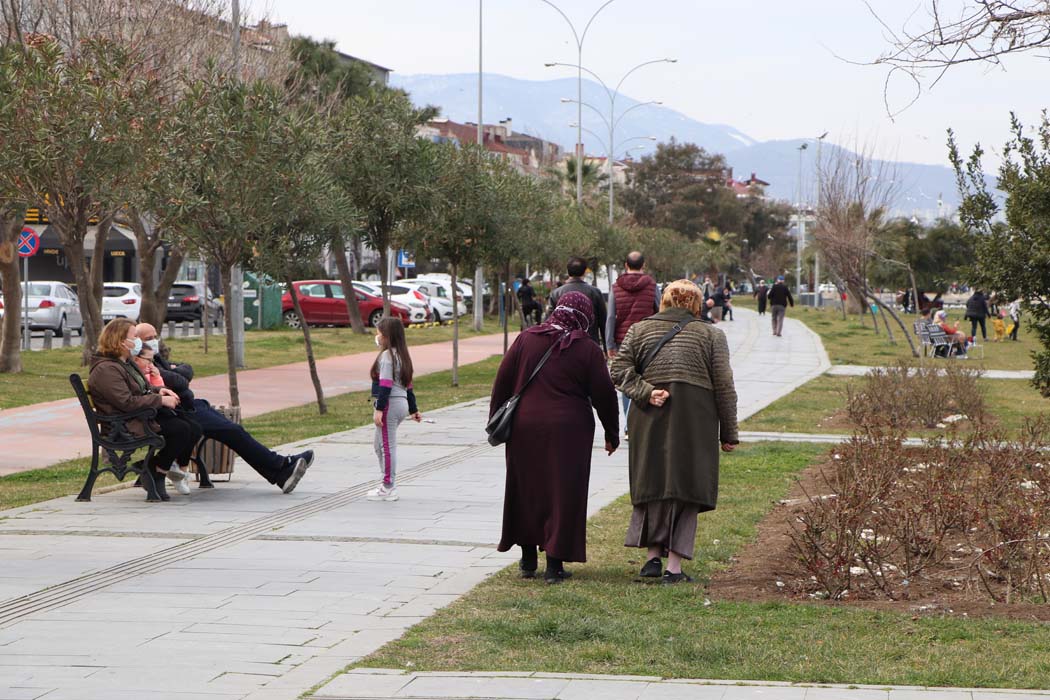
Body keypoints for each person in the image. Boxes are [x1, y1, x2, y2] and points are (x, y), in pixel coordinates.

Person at [609, 280, 739, 584]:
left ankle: (652, 558)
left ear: (664, 301)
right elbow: (724, 388)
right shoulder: (711, 335)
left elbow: (618, 370)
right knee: (686, 486)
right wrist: (728, 432)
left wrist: (645, 392)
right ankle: (674, 567)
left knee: (651, 481)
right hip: (695, 420)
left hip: (649, 417)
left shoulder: (639, 330)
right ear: (696, 304)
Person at [492, 291, 619, 584]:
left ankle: (527, 559)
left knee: (526, 488)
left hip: (525, 427)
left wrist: (496, 418)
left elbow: (503, 380)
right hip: (569, 431)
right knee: (563, 492)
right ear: (586, 315)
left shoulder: (526, 339)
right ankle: (554, 564)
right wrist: (612, 433)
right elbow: (604, 393)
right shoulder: (586, 348)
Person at [136, 323, 314, 494]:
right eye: (148, 338)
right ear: (138, 342)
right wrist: (176, 374)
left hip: (190, 405)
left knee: (234, 430)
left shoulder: (155, 358)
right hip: (179, 411)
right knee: (233, 431)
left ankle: (282, 469)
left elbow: (186, 370)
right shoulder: (142, 361)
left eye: (155, 336)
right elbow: (179, 380)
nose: (153, 340)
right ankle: (281, 468)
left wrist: (176, 372)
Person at [90, 319, 202, 502]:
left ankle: (154, 468)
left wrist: (159, 390)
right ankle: (155, 470)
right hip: (123, 424)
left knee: (193, 427)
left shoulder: (123, 363)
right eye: (134, 337)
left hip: (138, 416)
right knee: (181, 430)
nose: (138, 342)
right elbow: (126, 402)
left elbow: (140, 388)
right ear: (120, 341)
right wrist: (160, 400)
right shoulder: (106, 369)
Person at [369, 317, 422, 501]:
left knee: (387, 447)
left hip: (390, 404)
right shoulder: (402, 356)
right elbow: (409, 386)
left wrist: (379, 409)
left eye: (379, 333)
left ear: (387, 336)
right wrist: (413, 409)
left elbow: (385, 385)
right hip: (401, 403)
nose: (377, 336)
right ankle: (386, 481)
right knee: (378, 445)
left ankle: (388, 485)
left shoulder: (387, 357)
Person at [606, 251, 660, 430]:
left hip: (623, 340)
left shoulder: (615, 287)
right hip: (648, 340)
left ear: (626, 265)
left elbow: (611, 317)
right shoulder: (652, 285)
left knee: (627, 380)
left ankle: (629, 425)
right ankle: (640, 423)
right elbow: (660, 310)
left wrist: (609, 343)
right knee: (646, 379)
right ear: (643, 266)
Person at [546, 256, 608, 348]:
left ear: (568, 271)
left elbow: (550, 323)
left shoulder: (556, 293)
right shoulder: (595, 292)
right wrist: (607, 347)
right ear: (584, 272)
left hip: (563, 347)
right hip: (590, 346)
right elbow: (603, 322)